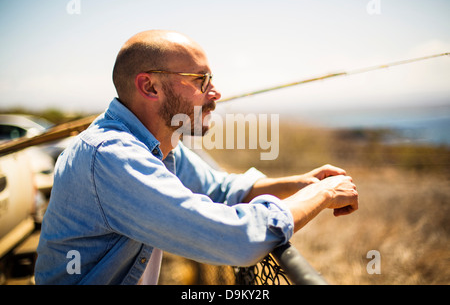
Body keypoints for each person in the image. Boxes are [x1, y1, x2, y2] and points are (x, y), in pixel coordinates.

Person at [35, 30, 358, 285]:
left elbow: (221, 190)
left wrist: (303, 182)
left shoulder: (159, 144)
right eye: (200, 80)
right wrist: (323, 194)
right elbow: (237, 240)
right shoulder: (112, 157)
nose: (216, 93)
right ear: (149, 86)